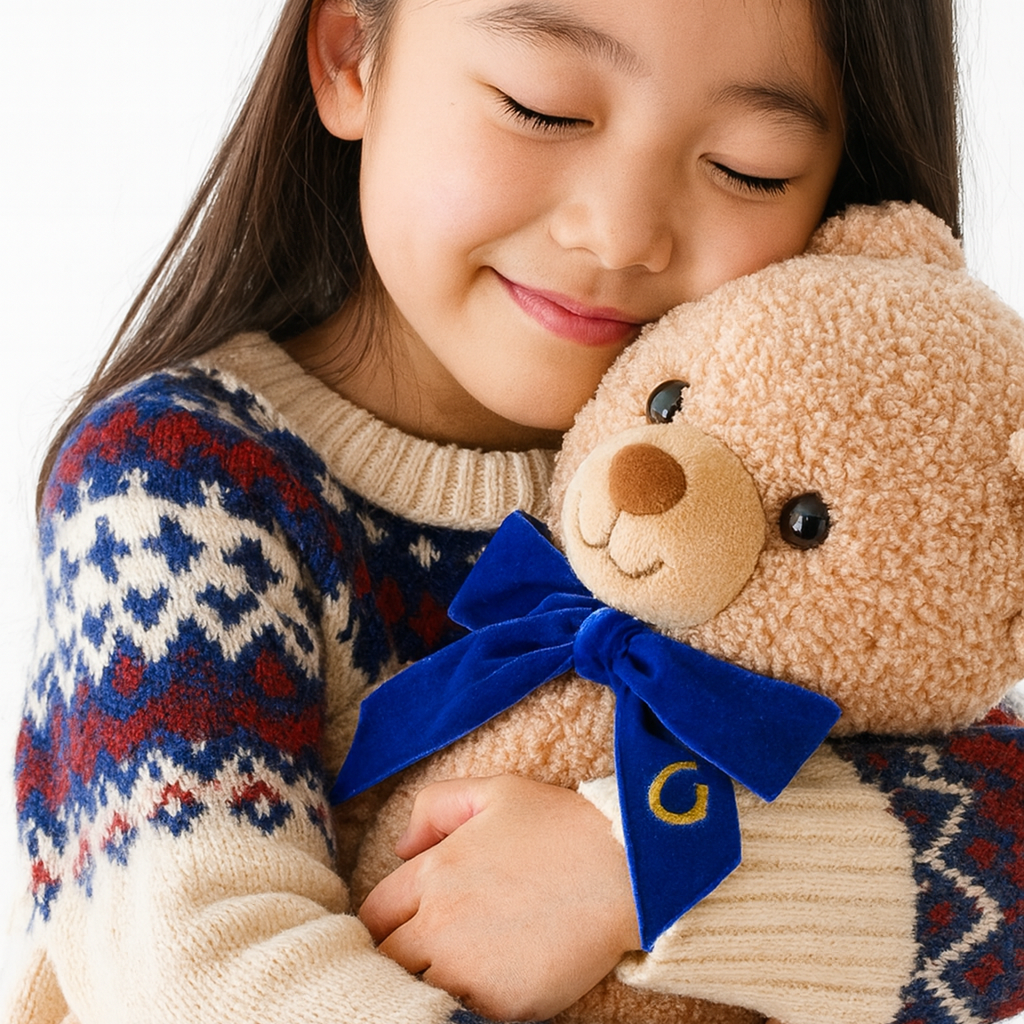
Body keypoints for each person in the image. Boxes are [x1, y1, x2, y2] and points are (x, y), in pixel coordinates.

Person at [7, 1, 996, 1023]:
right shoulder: (181, 486)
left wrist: (627, 866)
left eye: (750, 165)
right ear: (352, 51)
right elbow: (196, 963)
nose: (620, 232)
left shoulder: (780, 500)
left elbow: (999, 849)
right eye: (543, 109)